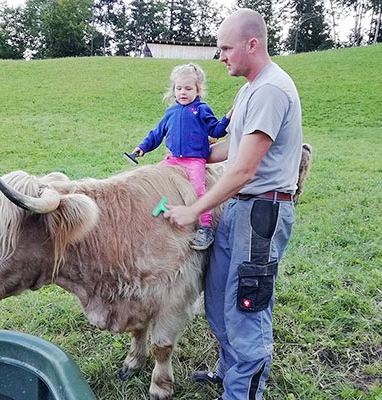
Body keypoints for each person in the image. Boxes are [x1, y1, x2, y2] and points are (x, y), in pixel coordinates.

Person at [164, 9, 303, 400]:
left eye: (225, 48)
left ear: (252, 44)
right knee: (220, 298)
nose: (220, 56)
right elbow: (229, 148)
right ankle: (229, 371)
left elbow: (242, 168)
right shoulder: (248, 91)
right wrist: (186, 153)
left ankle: (241, 393)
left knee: (247, 306)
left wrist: (193, 210)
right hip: (238, 209)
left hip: (261, 212)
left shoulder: (272, 90)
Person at [133, 62, 232, 250]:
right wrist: (142, 147)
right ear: (173, 90)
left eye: (188, 88)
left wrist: (227, 118)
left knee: (198, 190)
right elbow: (157, 134)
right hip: (173, 159)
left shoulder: (202, 109)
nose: (182, 92)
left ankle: (205, 227)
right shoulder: (171, 112)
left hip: (194, 160)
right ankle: (157, 213)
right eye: (179, 88)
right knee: (151, 180)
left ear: (198, 89)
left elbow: (216, 130)